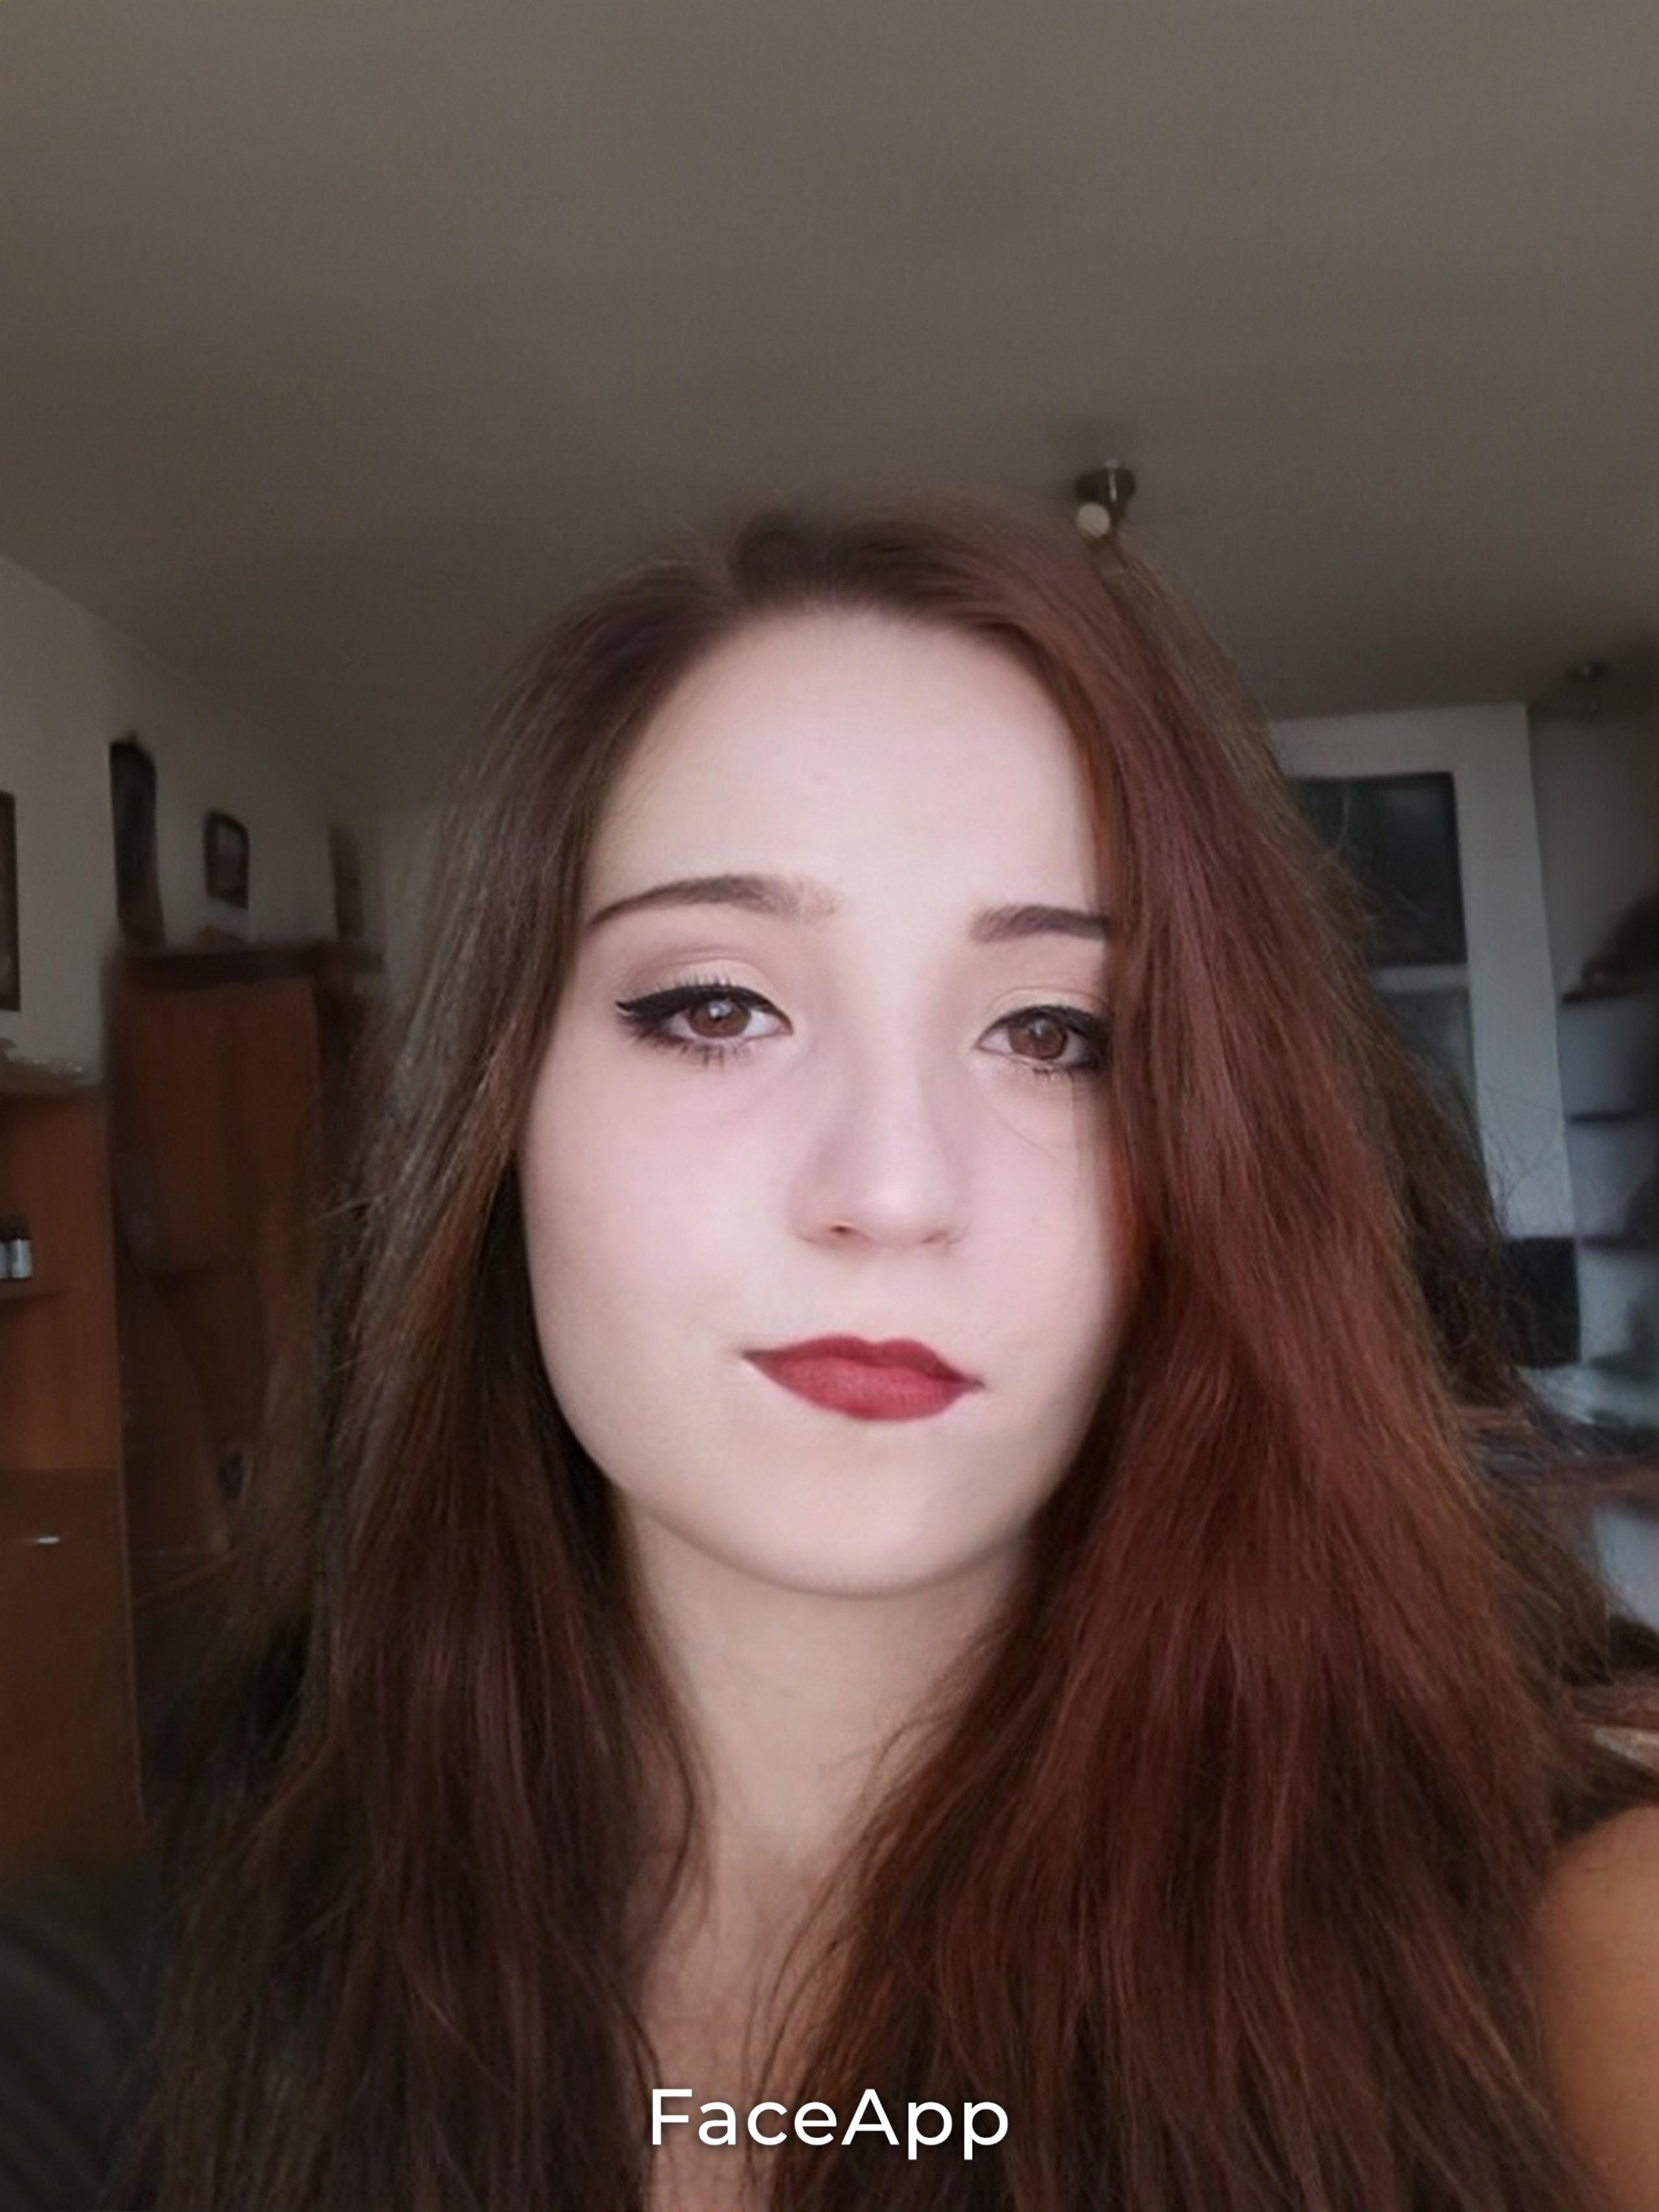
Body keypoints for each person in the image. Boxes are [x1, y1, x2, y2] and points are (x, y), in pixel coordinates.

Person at [69, 493, 1659, 2211]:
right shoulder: (152, 2007)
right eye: (716, 1007)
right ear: (500, 1119)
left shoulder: (1575, 1950)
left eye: (1054, 1034)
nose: (892, 1192)